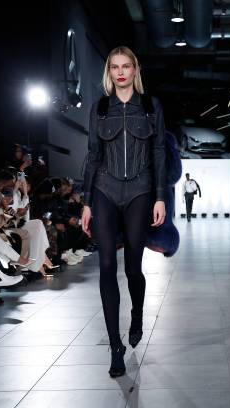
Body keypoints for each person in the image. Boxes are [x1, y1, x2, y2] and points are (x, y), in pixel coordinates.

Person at [80, 46, 166, 378]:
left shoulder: (150, 106)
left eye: (126, 66)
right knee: (105, 264)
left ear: (135, 70)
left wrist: (160, 197)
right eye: (114, 67)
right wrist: (87, 201)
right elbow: (92, 154)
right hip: (104, 188)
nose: (120, 72)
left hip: (141, 190)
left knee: (133, 267)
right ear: (109, 72)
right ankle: (115, 347)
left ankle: (138, 314)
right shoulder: (100, 108)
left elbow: (159, 153)